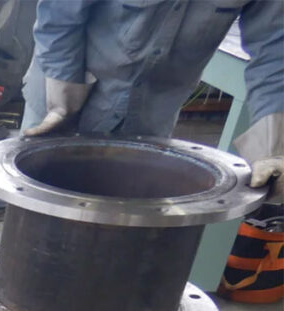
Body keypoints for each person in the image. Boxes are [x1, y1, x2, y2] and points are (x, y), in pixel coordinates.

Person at [21, 0, 284, 200]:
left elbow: (274, 50)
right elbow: (60, 14)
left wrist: (272, 149)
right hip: (61, 89)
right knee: (40, 204)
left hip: (150, 112)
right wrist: (64, 103)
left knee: (126, 217)